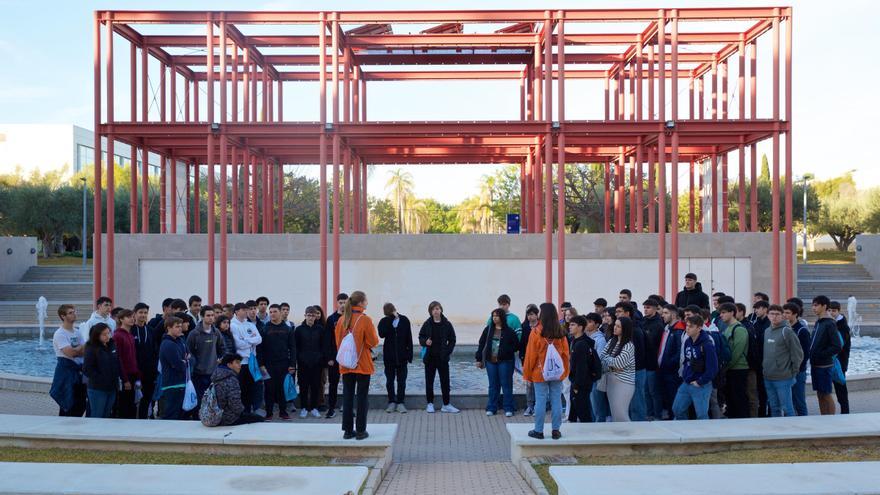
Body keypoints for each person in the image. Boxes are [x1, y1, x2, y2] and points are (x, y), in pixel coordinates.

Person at [335, 291, 380, 440]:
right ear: (360, 303)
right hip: (362, 364)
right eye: (366, 300)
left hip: (346, 364)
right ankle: (361, 430)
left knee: (347, 397)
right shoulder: (365, 320)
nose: (367, 303)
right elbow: (373, 341)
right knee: (362, 398)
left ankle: (347, 431)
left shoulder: (342, 320)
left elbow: (338, 343)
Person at [523, 303, 570, 439]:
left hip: (540, 372)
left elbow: (531, 355)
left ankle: (538, 430)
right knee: (556, 400)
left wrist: (527, 373)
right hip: (556, 372)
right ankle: (556, 430)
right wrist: (565, 371)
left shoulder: (536, 332)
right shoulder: (560, 332)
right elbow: (565, 354)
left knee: (540, 401)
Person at [672, 314, 718, 420]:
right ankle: (684, 431)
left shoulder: (707, 344)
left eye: (691, 326)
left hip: (701, 384)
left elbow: (713, 368)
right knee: (677, 409)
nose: (687, 328)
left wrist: (700, 381)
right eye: (687, 326)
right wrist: (685, 375)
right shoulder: (688, 341)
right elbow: (686, 361)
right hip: (687, 381)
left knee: (701, 415)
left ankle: (703, 435)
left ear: (699, 328)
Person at [762, 304, 803, 417]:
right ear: (767, 315)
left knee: (787, 408)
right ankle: (777, 433)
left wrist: (793, 372)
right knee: (774, 408)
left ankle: (792, 433)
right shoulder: (767, 331)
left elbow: (798, 354)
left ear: (782, 316)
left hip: (783, 378)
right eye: (772, 314)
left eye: (777, 314)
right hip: (768, 377)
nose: (774, 317)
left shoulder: (787, 332)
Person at [476, 308, 519, 417]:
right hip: (491, 361)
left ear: (502, 318)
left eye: (497, 316)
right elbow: (481, 344)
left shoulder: (509, 331)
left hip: (505, 361)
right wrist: (479, 359)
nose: (494, 318)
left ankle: (508, 407)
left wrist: (506, 351)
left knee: (506, 385)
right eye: (493, 316)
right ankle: (491, 407)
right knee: (493, 385)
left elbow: (516, 345)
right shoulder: (488, 330)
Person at [419, 301, 460, 413]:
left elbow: (452, 339)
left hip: (442, 358)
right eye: (433, 309)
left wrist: (448, 351)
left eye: (437, 308)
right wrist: (425, 341)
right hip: (430, 358)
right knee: (429, 382)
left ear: (441, 310)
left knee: (445, 382)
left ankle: (446, 404)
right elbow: (421, 337)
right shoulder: (427, 324)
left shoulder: (447, 324)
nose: (436, 311)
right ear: (431, 311)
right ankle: (430, 404)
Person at [186, 305, 224, 417]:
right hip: (198, 373)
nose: (211, 318)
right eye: (208, 315)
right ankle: (198, 417)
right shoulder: (194, 333)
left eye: (212, 315)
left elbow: (222, 348)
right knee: (199, 398)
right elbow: (189, 351)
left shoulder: (216, 332)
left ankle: (210, 417)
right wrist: (195, 363)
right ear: (202, 317)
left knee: (212, 398)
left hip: (213, 372)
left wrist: (220, 358)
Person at [261, 304, 297, 421]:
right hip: (268, 365)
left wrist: (292, 365)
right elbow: (260, 349)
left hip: (283, 364)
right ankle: (269, 413)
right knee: (269, 389)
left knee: (282, 389)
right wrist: (261, 365)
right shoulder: (265, 328)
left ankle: (283, 412)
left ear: (280, 313)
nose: (272, 314)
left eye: (274, 311)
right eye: (270, 312)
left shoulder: (287, 329)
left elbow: (293, 348)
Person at [50, 304, 87, 417]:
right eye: (71, 313)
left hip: (79, 373)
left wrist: (78, 350)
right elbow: (70, 353)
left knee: (80, 405)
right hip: (67, 373)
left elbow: (85, 351)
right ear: (63, 316)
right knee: (68, 405)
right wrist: (80, 349)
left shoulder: (77, 332)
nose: (74, 314)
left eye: (74, 312)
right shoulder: (60, 334)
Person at [211, 354, 266, 426]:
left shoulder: (216, 376)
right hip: (227, 418)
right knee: (259, 419)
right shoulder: (231, 379)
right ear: (229, 365)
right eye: (237, 363)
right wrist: (243, 412)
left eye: (240, 363)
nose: (240, 365)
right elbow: (235, 403)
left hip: (213, 415)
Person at [378, 303, 413, 414]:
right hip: (389, 357)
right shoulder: (384, 321)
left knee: (401, 381)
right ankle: (391, 401)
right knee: (389, 381)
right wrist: (390, 320)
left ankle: (401, 402)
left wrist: (410, 355)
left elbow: (409, 338)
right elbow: (381, 334)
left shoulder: (404, 320)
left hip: (402, 357)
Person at [810, 296, 843, 415]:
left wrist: (821, 354)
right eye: (813, 305)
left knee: (826, 393)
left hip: (824, 365)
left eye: (816, 305)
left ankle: (831, 420)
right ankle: (823, 418)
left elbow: (837, 346)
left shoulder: (829, 323)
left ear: (824, 306)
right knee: (820, 393)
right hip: (816, 364)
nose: (813, 308)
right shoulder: (819, 322)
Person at [600, 316, 636, 422]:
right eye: (615, 325)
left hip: (623, 383)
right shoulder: (612, 341)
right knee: (615, 415)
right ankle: (620, 436)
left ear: (625, 329)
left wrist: (610, 362)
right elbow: (601, 359)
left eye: (618, 326)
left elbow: (618, 364)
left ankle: (629, 436)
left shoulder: (628, 346)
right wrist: (611, 364)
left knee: (621, 414)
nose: (615, 328)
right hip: (611, 382)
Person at [616, 302, 647, 421]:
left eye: (619, 312)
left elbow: (638, 355)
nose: (616, 314)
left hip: (636, 371)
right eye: (616, 312)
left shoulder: (635, 331)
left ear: (627, 313)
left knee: (636, 402)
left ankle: (639, 429)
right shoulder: (624, 330)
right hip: (625, 372)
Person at [82, 322, 120, 418]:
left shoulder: (112, 345)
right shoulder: (91, 348)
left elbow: (116, 364)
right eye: (104, 334)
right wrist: (102, 379)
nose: (108, 336)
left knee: (107, 415)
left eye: (108, 333)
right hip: (98, 389)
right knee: (97, 415)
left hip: (112, 387)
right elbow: (87, 369)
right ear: (96, 335)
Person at [230, 302, 263, 413]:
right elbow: (238, 344)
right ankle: (243, 410)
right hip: (240, 362)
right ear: (237, 311)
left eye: (246, 310)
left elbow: (259, 339)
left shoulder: (250, 324)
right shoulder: (233, 325)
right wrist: (251, 341)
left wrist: (246, 340)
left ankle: (252, 409)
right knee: (242, 388)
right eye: (244, 310)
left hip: (251, 361)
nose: (246, 312)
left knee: (253, 386)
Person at [719, 302, 750, 419]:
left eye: (723, 312)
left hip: (738, 369)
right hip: (730, 369)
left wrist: (726, 366)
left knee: (739, 397)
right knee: (730, 398)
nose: (721, 315)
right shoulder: (728, 328)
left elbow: (737, 352)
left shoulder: (739, 329)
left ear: (732, 313)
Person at [568, 315, 601, 423]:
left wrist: (576, 386)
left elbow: (582, 368)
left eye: (573, 325)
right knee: (574, 412)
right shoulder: (576, 341)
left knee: (584, 413)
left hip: (581, 384)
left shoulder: (581, 344)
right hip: (577, 383)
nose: (570, 327)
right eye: (570, 324)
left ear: (580, 327)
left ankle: (589, 437)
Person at [295, 306, 325, 418]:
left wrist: (321, 358)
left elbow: (323, 346)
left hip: (317, 363)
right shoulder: (299, 330)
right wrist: (299, 358)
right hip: (303, 363)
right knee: (303, 386)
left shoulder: (320, 329)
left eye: (313, 315)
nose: (311, 317)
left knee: (315, 386)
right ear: (305, 315)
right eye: (309, 315)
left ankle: (314, 408)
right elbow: (296, 347)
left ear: (315, 316)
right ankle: (303, 407)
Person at [657, 304, 684, 420]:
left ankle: (675, 421)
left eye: (665, 313)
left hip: (672, 372)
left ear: (673, 315)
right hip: (664, 370)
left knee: (673, 398)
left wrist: (667, 364)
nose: (662, 315)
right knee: (667, 398)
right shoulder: (668, 329)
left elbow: (679, 353)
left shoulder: (679, 330)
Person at [131, 302, 158, 419]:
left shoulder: (151, 330)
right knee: (132, 401)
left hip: (149, 372)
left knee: (147, 399)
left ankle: (143, 421)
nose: (143, 315)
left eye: (145, 313)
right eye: (140, 312)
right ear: (135, 314)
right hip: (134, 372)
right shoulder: (130, 330)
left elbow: (155, 351)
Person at [158, 316, 188, 420]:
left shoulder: (180, 341)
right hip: (172, 385)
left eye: (180, 326)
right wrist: (184, 362)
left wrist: (185, 361)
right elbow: (178, 365)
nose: (180, 328)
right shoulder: (168, 344)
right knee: (171, 415)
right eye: (177, 326)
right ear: (168, 328)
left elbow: (190, 358)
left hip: (182, 383)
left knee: (181, 415)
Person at [112, 309, 140, 419]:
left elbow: (133, 357)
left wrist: (138, 376)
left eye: (133, 316)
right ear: (121, 319)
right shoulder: (117, 335)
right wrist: (125, 379)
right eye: (129, 317)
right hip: (125, 376)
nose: (132, 319)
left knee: (132, 405)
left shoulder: (130, 336)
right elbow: (118, 359)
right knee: (124, 406)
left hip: (133, 374)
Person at [783, 302, 810, 416]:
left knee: (799, 401)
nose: (785, 315)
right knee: (788, 402)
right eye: (784, 312)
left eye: (788, 313)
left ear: (795, 314)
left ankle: (804, 425)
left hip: (798, 371)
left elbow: (805, 353)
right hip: (786, 371)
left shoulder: (801, 330)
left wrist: (796, 368)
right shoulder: (784, 328)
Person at [323, 293, 347, 419]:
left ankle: (347, 407)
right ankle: (331, 408)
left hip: (348, 357)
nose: (343, 305)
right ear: (337, 303)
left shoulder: (352, 317)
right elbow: (327, 340)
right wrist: (330, 358)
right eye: (341, 302)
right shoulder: (331, 319)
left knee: (348, 383)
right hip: (335, 357)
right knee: (333, 383)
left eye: (345, 302)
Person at [641, 299, 664, 420]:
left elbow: (653, 342)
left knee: (654, 391)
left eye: (648, 307)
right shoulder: (643, 322)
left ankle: (657, 415)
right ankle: (648, 414)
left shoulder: (658, 324)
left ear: (655, 309)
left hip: (653, 363)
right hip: (644, 363)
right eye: (644, 307)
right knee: (645, 391)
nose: (645, 310)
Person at [747, 300, 771, 417]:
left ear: (765, 309)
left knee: (768, 391)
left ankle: (771, 414)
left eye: (758, 308)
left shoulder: (769, 323)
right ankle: (761, 413)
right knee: (760, 390)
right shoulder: (755, 323)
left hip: (768, 362)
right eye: (755, 308)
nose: (756, 310)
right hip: (758, 362)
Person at [829, 301, 851, 414]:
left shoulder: (843, 326)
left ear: (838, 311)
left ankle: (845, 411)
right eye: (830, 310)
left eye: (834, 311)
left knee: (840, 387)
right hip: (833, 361)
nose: (831, 313)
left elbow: (840, 344)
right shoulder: (832, 323)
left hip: (839, 361)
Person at [520, 304, 539, 417]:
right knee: (529, 384)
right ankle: (530, 406)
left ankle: (539, 406)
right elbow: (522, 345)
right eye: (528, 314)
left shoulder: (541, 327)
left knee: (539, 385)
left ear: (537, 315)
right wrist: (523, 360)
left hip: (539, 361)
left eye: (532, 314)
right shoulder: (524, 327)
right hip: (527, 359)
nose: (530, 317)